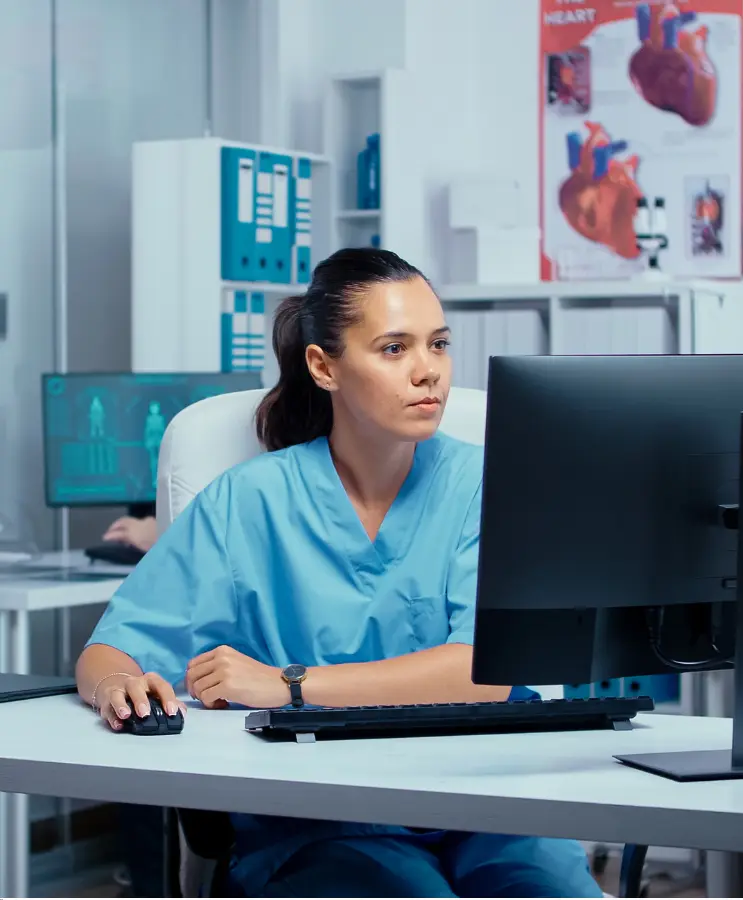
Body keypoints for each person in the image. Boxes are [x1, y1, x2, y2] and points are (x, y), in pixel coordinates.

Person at [75, 248, 603, 898]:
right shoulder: (248, 502)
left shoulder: (485, 482)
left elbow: (483, 672)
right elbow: (111, 649)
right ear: (324, 366)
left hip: (487, 797)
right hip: (328, 817)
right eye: (394, 349)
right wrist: (119, 688)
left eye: (438, 344)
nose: (427, 372)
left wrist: (286, 684)